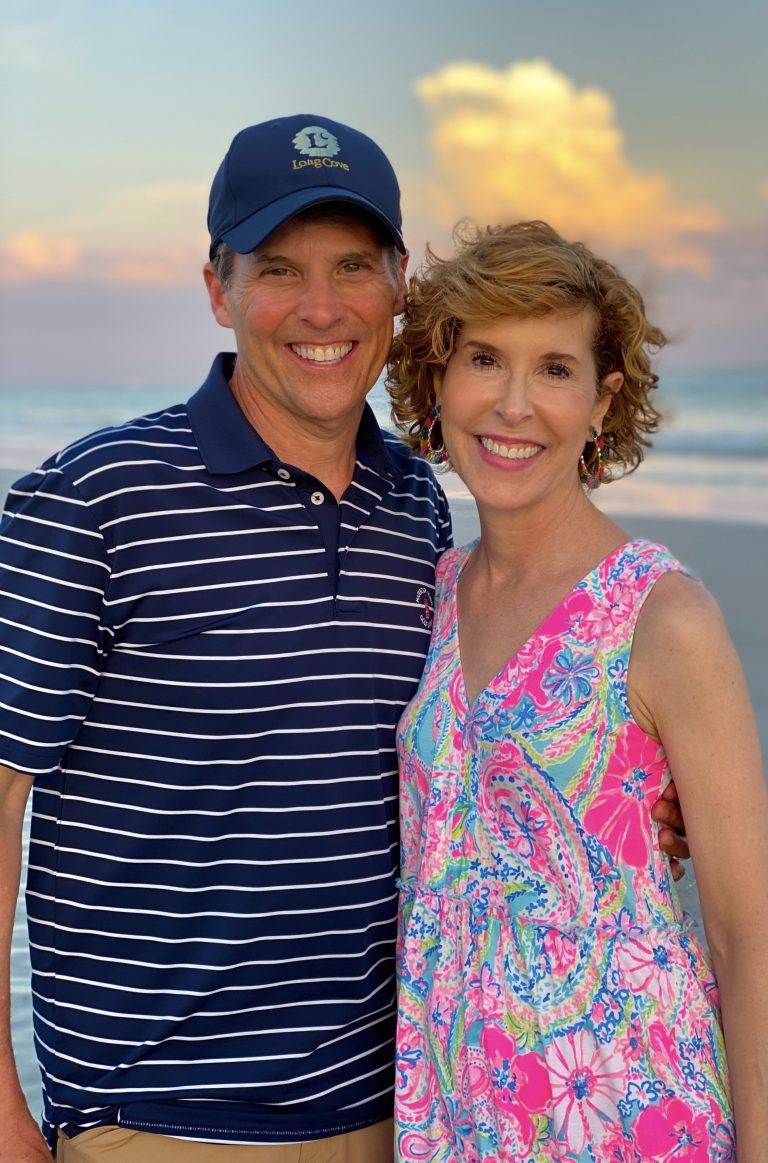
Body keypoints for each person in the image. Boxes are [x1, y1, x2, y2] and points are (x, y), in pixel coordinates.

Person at [0, 120, 688, 1163]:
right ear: (218, 288)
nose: (322, 309)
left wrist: (627, 792)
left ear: (401, 283)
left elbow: (452, 757)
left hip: (411, 1107)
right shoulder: (92, 501)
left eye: (354, 266)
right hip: (164, 1122)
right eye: (279, 268)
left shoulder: (415, 503)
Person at [388, 222, 768, 1160]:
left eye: (554, 369)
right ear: (438, 381)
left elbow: (746, 931)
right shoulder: (435, 591)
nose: (513, 403)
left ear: (603, 404)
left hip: (629, 1115)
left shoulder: (661, 616)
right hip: (453, 1115)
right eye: (484, 358)